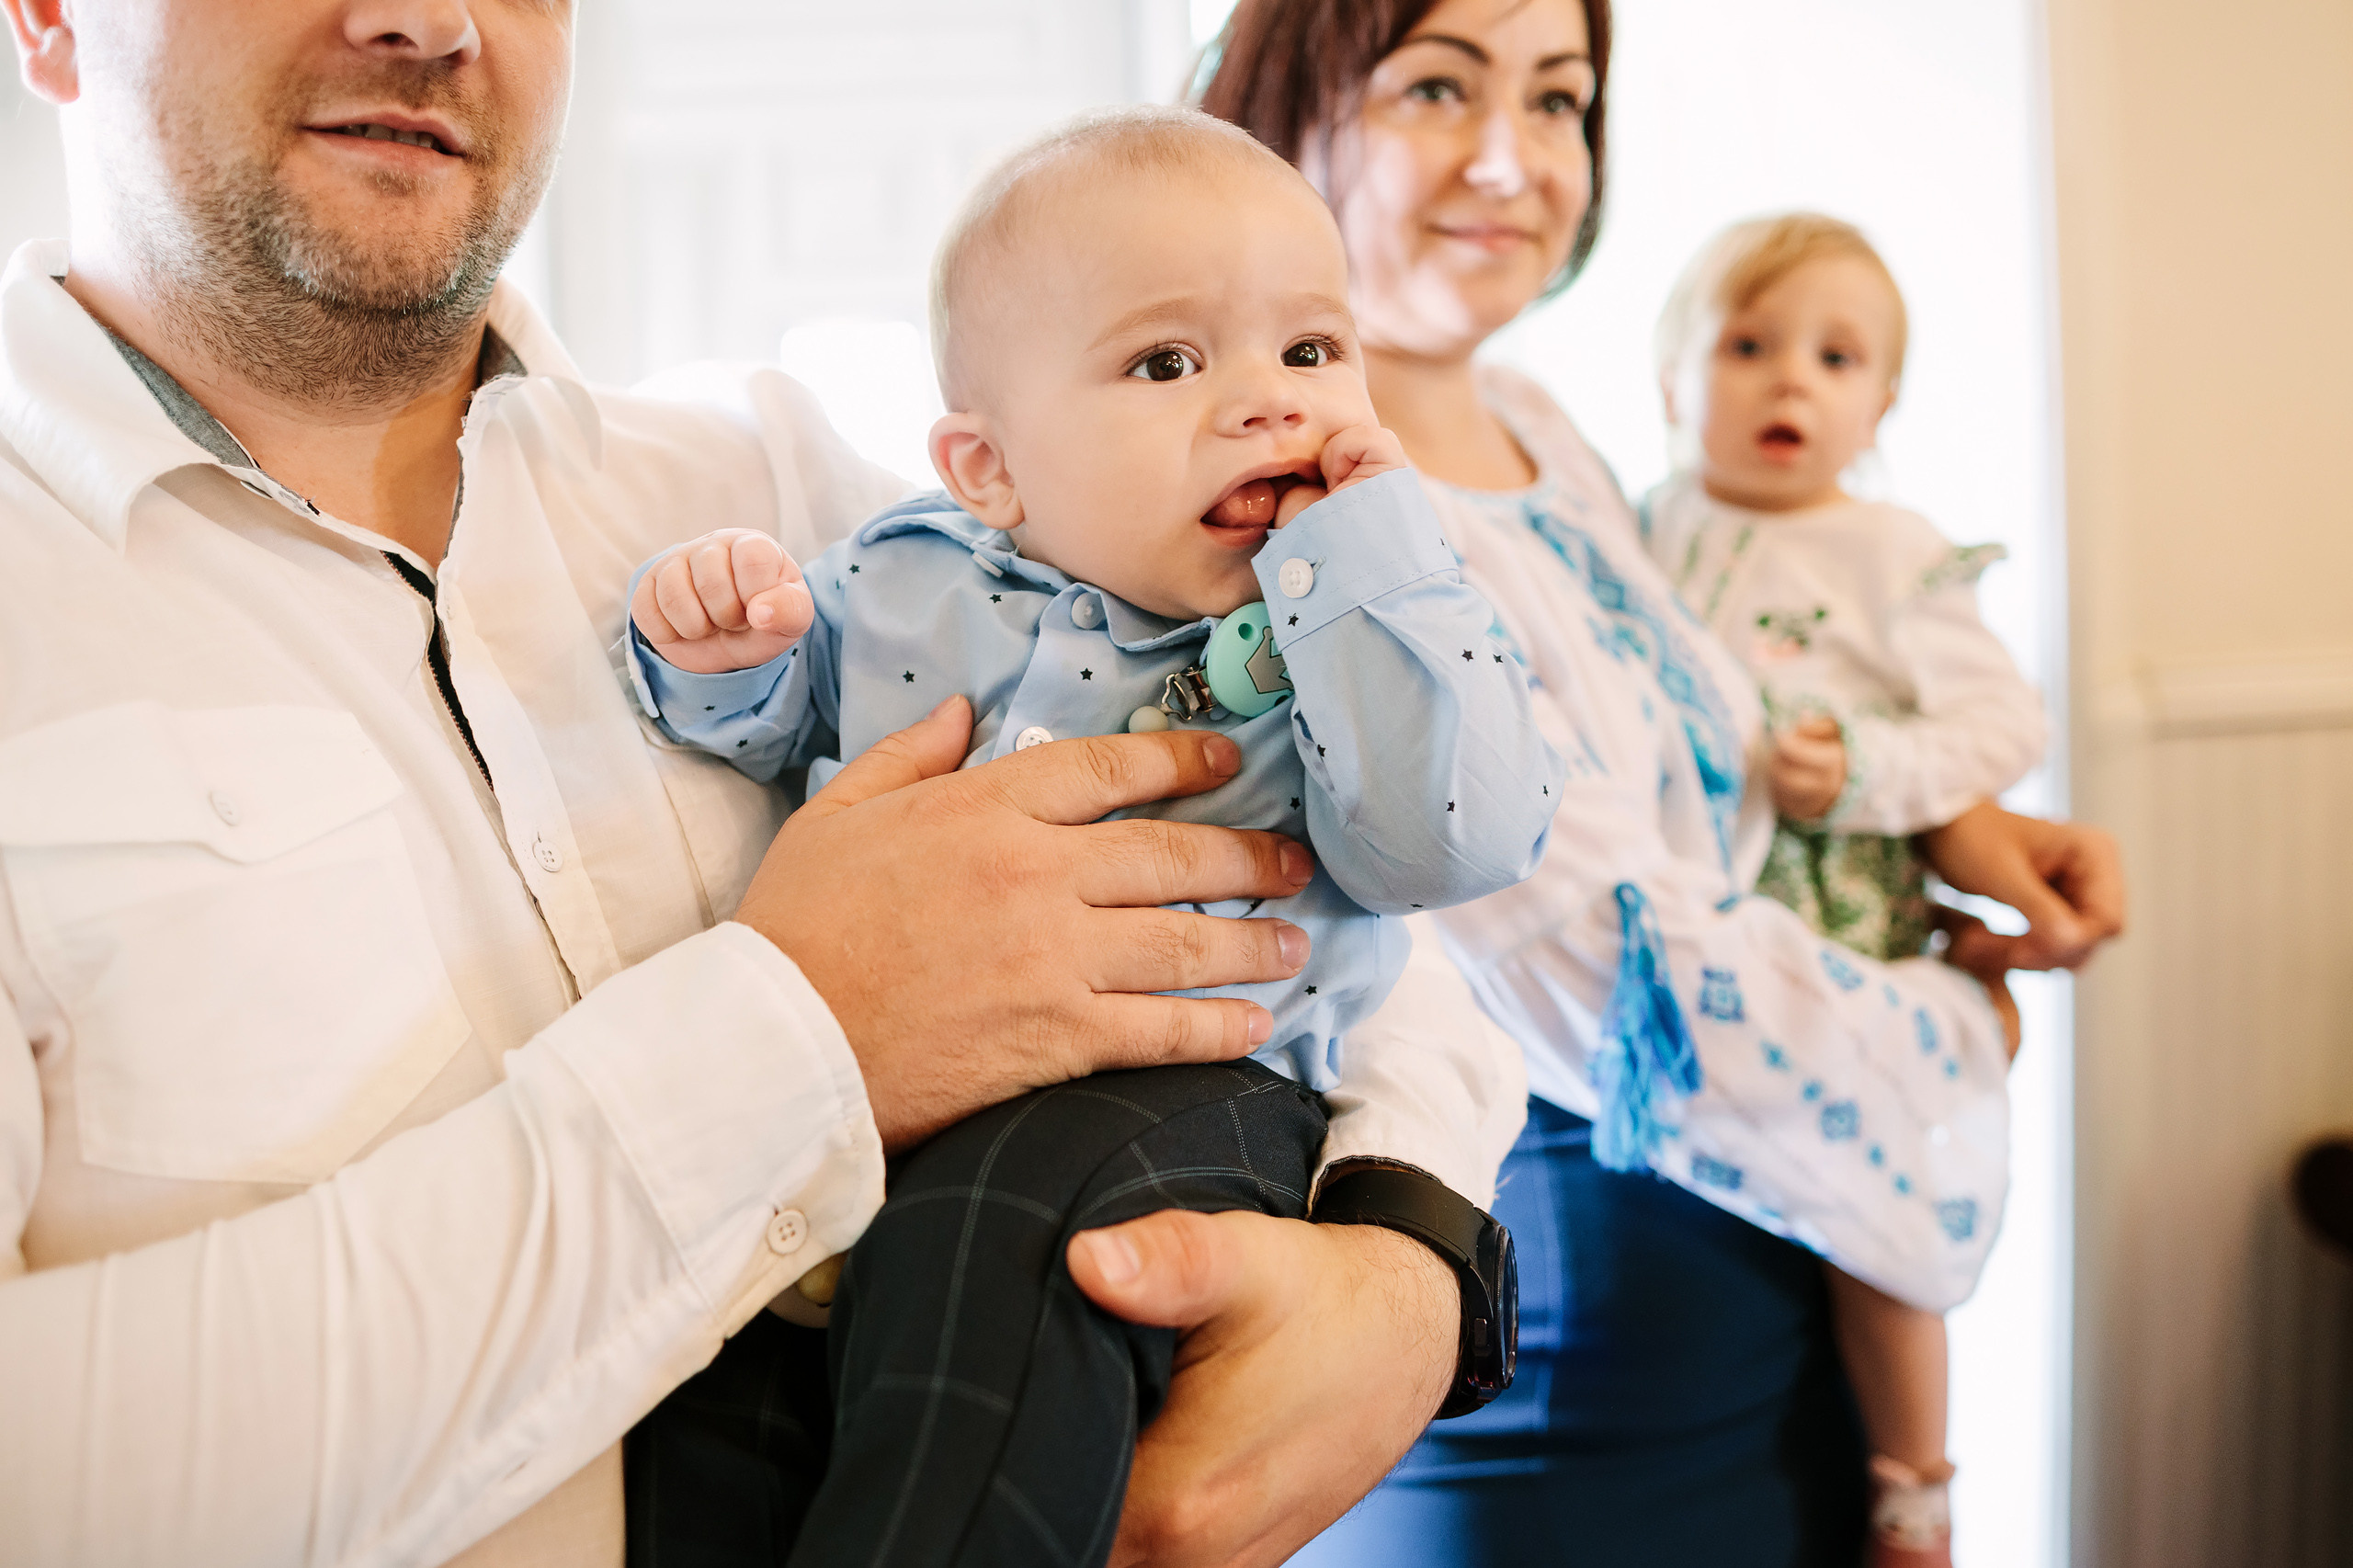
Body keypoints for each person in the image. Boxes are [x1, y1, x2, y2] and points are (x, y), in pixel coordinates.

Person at [0, 5, 1517, 1565]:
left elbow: (1323, 878)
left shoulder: (794, 494)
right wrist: (801, 1036)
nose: (433, 20)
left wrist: (1413, 1264)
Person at [1199, 0, 2125, 1562]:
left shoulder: (1543, 429)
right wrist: (1951, 1030)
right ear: (1293, 107)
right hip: (1578, 1362)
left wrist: (1955, 827)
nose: (1513, 158)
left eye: (1558, 100)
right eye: (1438, 83)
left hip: (1777, 1260)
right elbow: (1615, 962)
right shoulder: (1315, 509)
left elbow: (1711, 738)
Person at [617, 108, 1559, 1567]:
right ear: (988, 468)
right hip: (881, 1111)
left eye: (1312, 351)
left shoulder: (1355, 629)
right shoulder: (910, 570)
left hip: (1196, 1082)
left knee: (1010, 1239)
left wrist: (1367, 560)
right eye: (1169, 362)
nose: (1270, 404)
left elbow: (1447, 842)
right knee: (715, 1403)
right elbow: (775, 722)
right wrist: (730, 650)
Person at [1643, 211, 2051, 1566]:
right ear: (1671, 378)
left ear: (1881, 401)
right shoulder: (1644, 533)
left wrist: (1864, 766)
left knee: (1879, 1227)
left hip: (1850, 936)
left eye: (1836, 356)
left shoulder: (1889, 550)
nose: (1790, 382)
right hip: (1702, 932)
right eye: (1748, 346)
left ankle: (1913, 1488)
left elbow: (2003, 731)